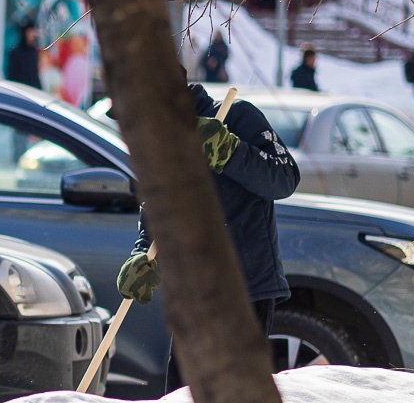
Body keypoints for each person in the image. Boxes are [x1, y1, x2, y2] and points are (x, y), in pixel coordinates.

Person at [115, 82, 300, 385]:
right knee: (182, 401)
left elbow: (285, 178)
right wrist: (143, 254)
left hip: (245, 287)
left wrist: (231, 151)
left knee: (237, 398)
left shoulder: (236, 117)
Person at [6, 20, 41, 89]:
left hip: (33, 91)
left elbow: (34, 76)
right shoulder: (16, 53)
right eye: (30, 32)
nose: (33, 35)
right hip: (21, 91)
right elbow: (12, 76)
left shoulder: (34, 52)